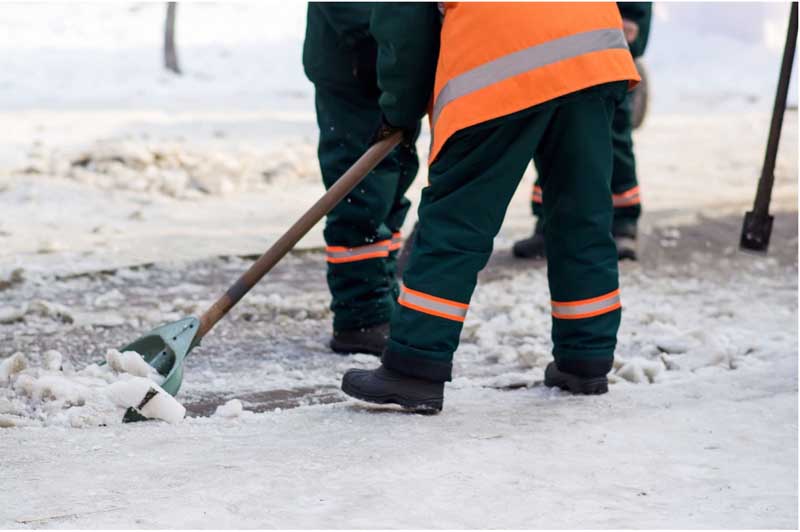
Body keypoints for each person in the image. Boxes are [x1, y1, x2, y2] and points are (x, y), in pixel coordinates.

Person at [340, 2, 640, 412]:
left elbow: (403, 24)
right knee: (581, 214)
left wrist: (399, 112)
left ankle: (414, 367)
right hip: (593, 49)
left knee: (456, 221)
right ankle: (585, 359)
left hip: (501, 58)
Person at [303, 3, 436, 355]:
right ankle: (360, 315)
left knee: (392, 186)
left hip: (395, 68)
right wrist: (372, 44)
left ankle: (383, 299)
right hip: (355, 67)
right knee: (361, 195)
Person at [513, 2, 653, 261]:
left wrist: (632, 14)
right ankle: (549, 222)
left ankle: (623, 221)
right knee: (553, 131)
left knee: (610, 134)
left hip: (606, 34)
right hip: (558, 33)